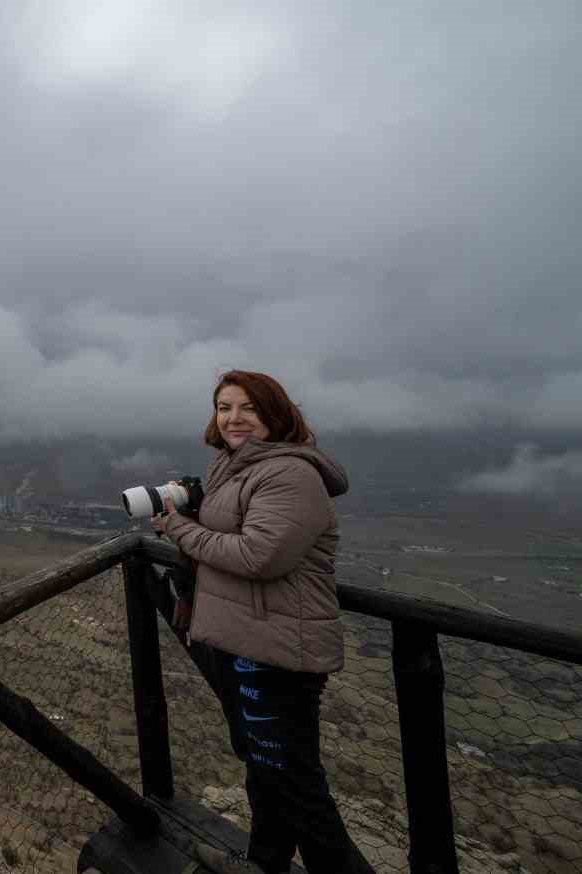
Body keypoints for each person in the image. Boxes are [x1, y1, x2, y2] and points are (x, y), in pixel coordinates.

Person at [151, 370, 374, 874]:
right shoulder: (231, 467)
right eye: (224, 407)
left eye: (248, 408)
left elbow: (259, 556)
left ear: (276, 414)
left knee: (296, 787)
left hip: (276, 652)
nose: (233, 418)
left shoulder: (291, 475)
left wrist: (178, 527)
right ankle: (264, 862)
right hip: (244, 641)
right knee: (264, 768)